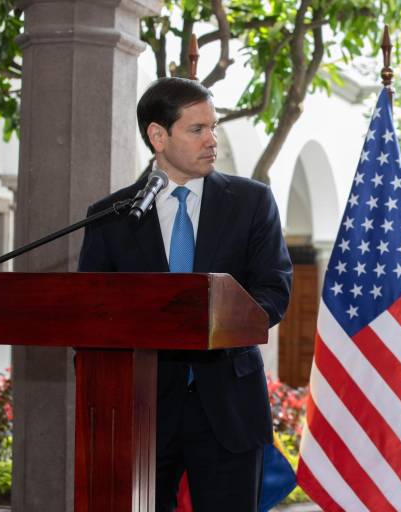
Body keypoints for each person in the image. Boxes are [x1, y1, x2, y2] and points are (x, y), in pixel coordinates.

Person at [78, 77, 292, 512]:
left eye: (213, 127)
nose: (212, 140)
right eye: (197, 130)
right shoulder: (112, 215)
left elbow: (275, 288)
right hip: (141, 412)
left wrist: (219, 322)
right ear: (158, 136)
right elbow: (91, 310)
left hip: (229, 406)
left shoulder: (251, 202)